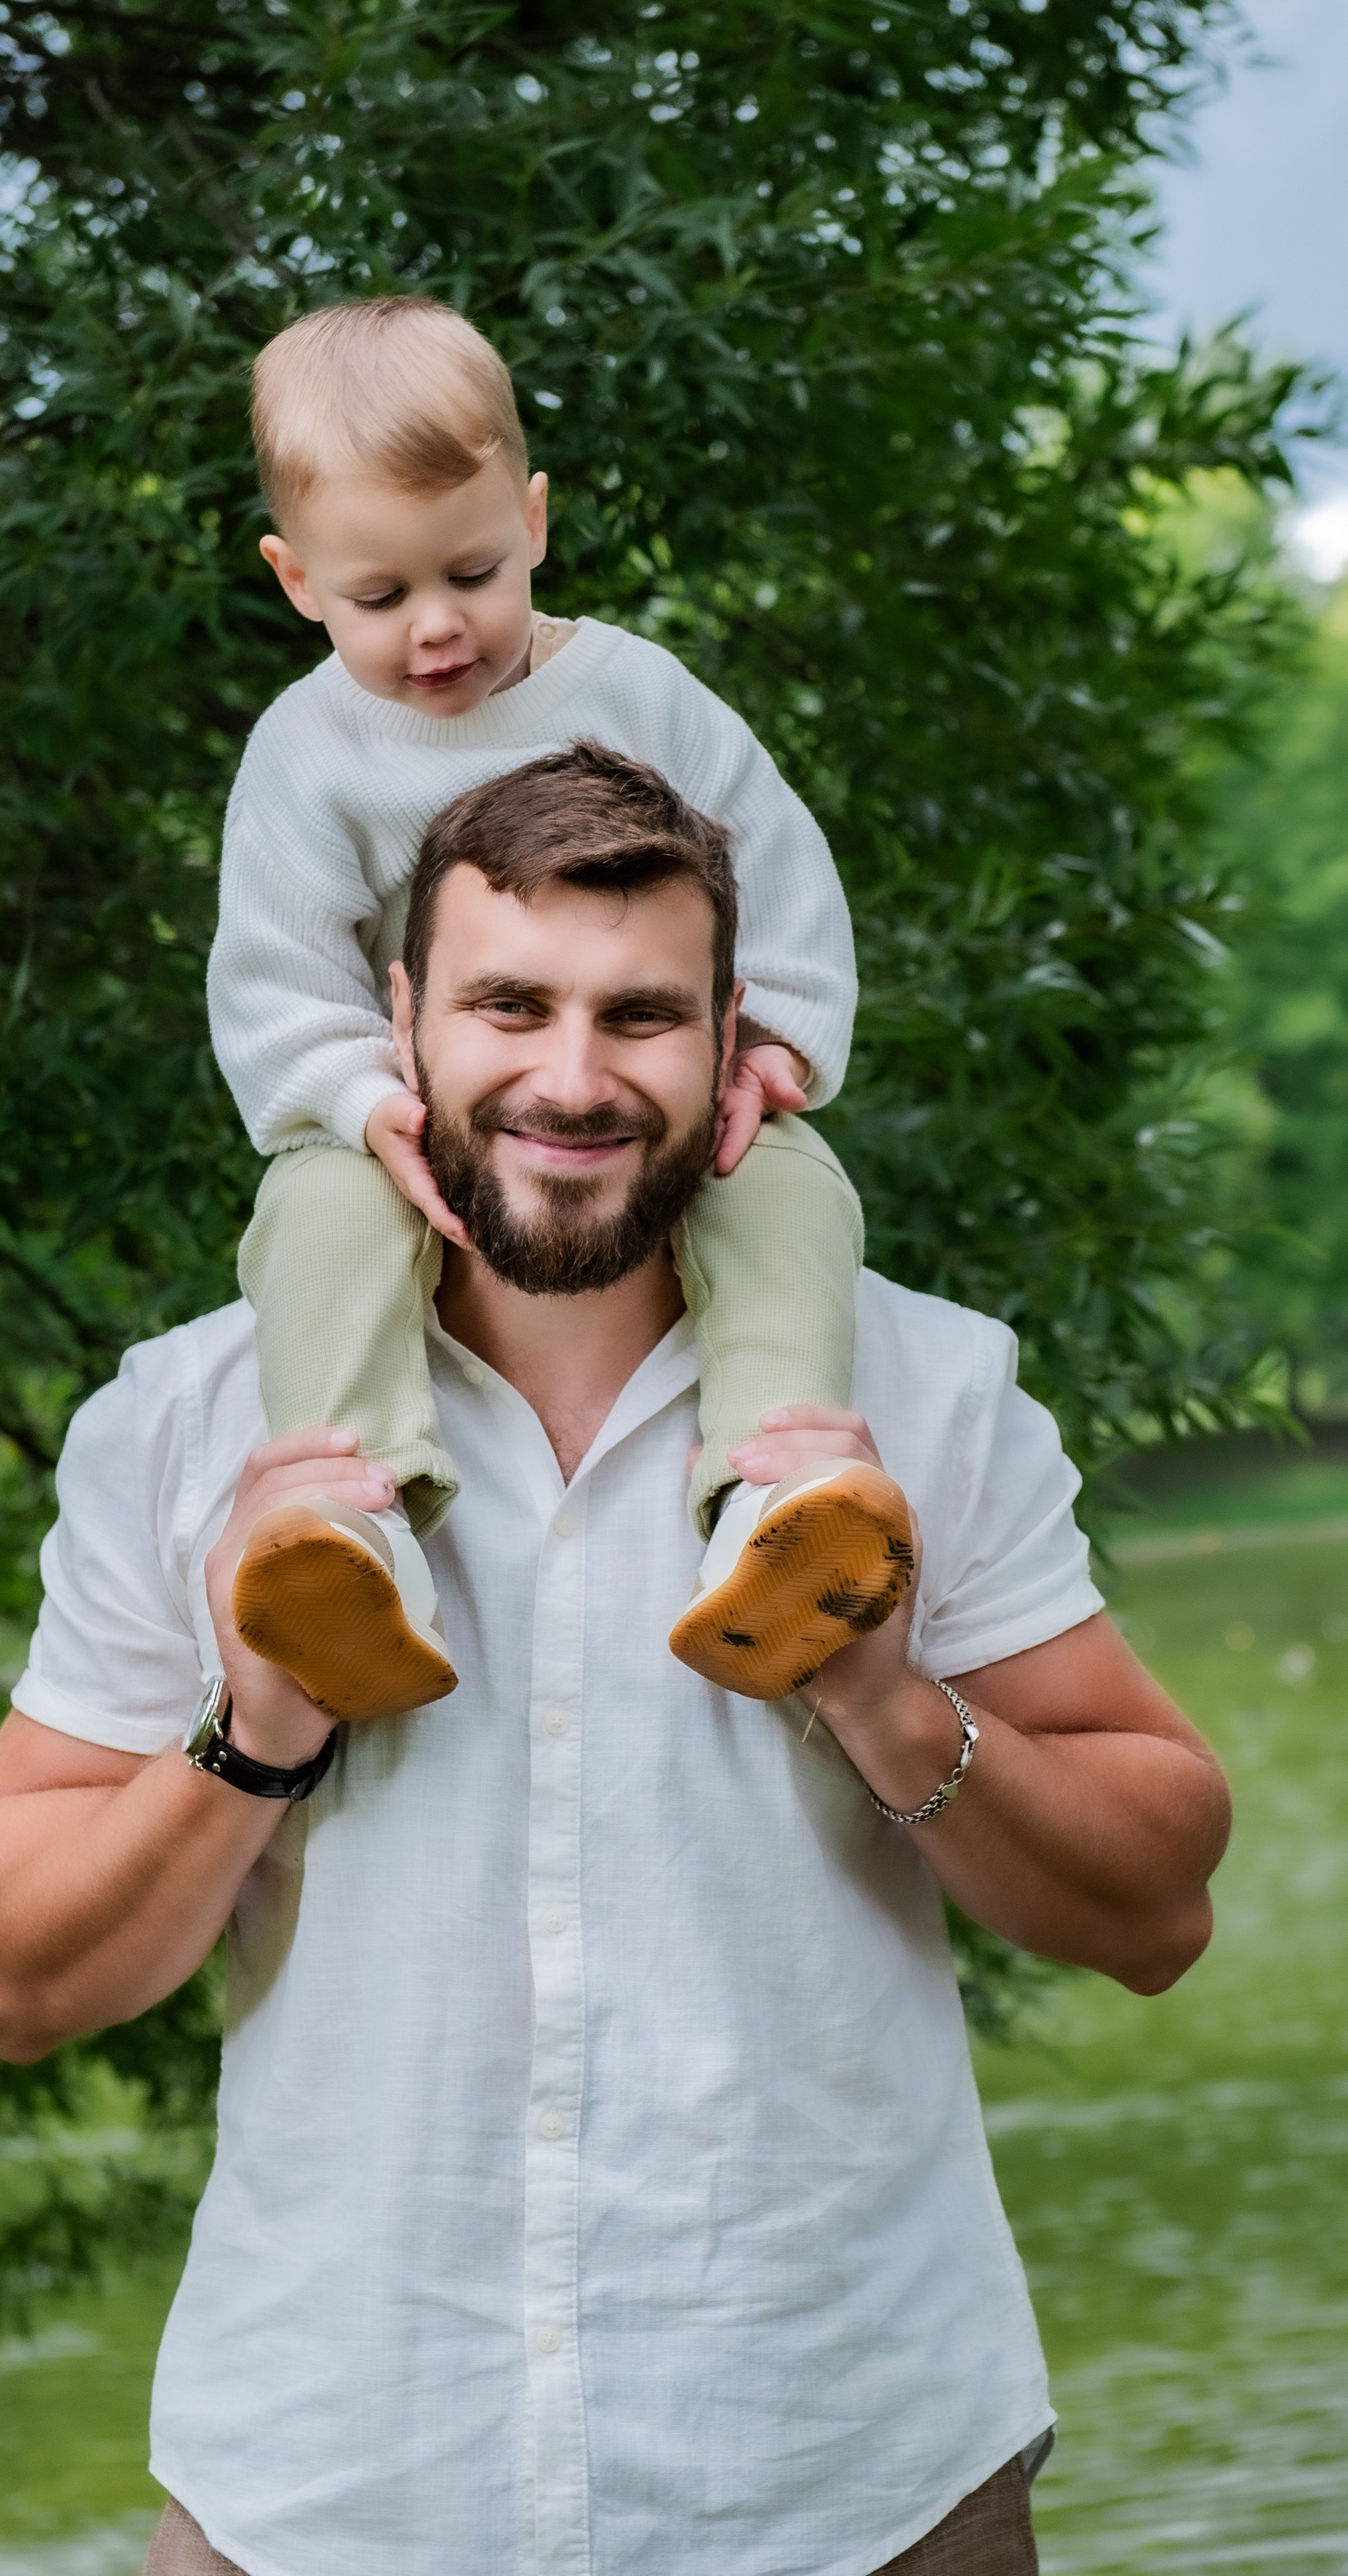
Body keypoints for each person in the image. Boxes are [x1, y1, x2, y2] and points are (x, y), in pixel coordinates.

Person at [0, 744, 1231, 2576]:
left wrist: (879, 1696)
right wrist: (258, 1728)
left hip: (852, 2484)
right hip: (331, 2495)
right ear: (402, 1019)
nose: (571, 1075)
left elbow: (1158, 1903)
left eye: (640, 1015)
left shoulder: (921, 1397)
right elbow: (8, 1974)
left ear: (730, 1042)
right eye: (509, 1005)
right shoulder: (194, 1420)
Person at [210, 294, 910, 1722]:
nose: (437, 627)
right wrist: (362, 1101)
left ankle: (779, 1498)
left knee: (780, 1184)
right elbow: (275, 973)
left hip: (657, 1089)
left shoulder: (636, 695)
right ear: (296, 580)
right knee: (319, 1216)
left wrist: (763, 1044)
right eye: (379, 598)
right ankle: (347, 1529)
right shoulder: (307, 752)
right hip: (419, 1102)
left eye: (472, 571)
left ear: (531, 520)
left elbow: (779, 872)